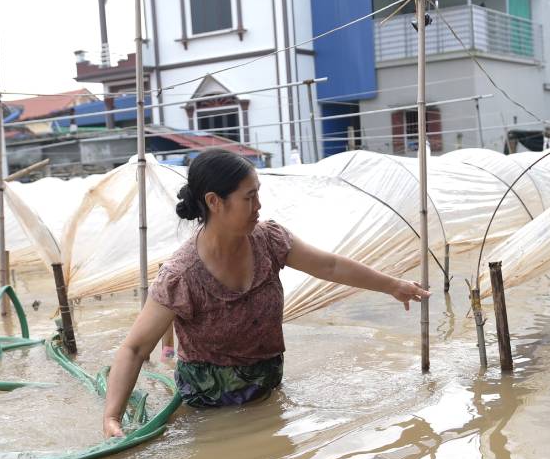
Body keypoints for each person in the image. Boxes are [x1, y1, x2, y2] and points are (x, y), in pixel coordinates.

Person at [102, 148, 429, 438]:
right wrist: (112, 417)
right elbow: (134, 348)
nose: (259, 206)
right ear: (215, 202)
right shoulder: (182, 276)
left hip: (267, 386)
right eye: (249, 197)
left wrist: (394, 286)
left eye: (258, 195)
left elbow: (329, 266)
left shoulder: (269, 241)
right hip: (211, 409)